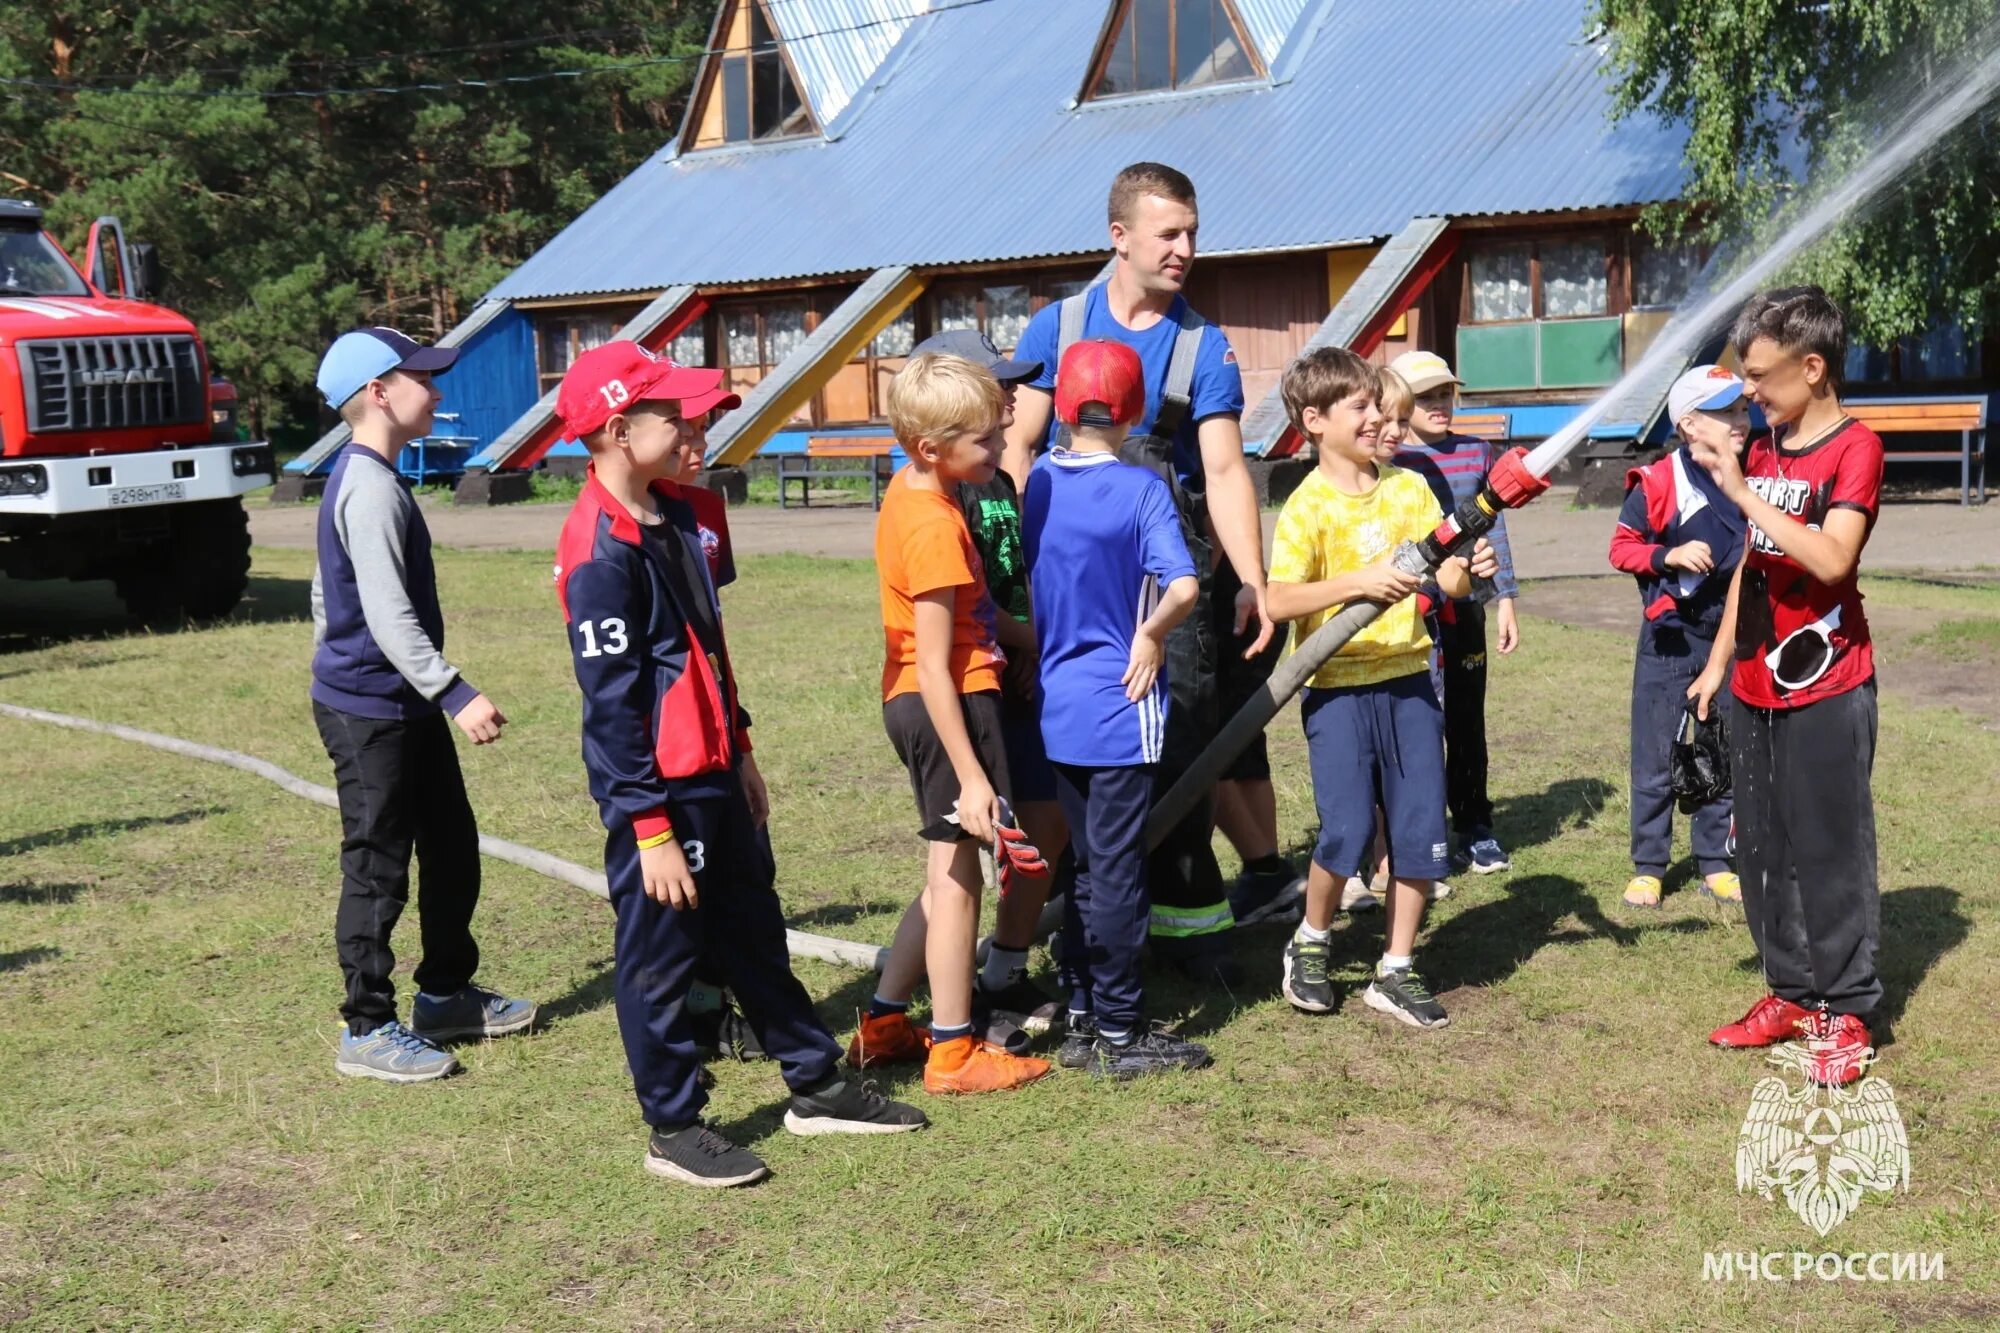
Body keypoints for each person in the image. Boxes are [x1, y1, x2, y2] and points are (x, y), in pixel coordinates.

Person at [554, 341, 926, 1188]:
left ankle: (814, 1083)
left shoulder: (678, 515)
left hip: (716, 774)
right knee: (658, 957)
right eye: (674, 417)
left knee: (755, 930)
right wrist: (647, 826)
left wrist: (743, 749)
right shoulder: (598, 552)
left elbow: (708, 652)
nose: (696, 430)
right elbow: (611, 709)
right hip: (660, 797)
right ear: (616, 430)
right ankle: (673, 1126)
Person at [1006, 162, 1276, 983]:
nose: (1186, 249)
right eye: (1170, 234)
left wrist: (1254, 580)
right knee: (1072, 755)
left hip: (1170, 579)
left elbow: (1226, 473)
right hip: (1071, 585)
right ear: (1119, 236)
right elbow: (1017, 447)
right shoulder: (1056, 327)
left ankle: (1185, 934)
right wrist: (1033, 562)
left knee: (1178, 740)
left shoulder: (1204, 346)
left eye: (1193, 232)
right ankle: (1078, 931)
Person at [310, 326, 534, 1085]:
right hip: (371, 708)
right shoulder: (368, 484)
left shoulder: (374, 476)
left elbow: (325, 588)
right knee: (378, 864)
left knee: (452, 843)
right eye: (423, 379)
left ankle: (443, 993)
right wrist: (455, 690)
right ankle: (366, 1027)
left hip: (400, 700)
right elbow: (385, 613)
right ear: (379, 392)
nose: (436, 393)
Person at [1687, 288, 1885, 1087]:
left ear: (1813, 367)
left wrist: (1739, 491)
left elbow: (1834, 559)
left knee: (1829, 853)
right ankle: (1792, 993)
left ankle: (1847, 1011)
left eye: (1762, 377)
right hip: (1753, 685)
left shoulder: (1855, 448)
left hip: (1829, 683)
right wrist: (1715, 664)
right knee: (1763, 849)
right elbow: (1753, 564)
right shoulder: (1765, 448)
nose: (1752, 394)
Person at [1266, 348, 1497, 1029]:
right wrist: (1358, 583)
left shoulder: (1409, 490)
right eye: (1361, 407)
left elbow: (1445, 582)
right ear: (1315, 420)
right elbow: (1278, 600)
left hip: (1410, 683)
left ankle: (1396, 968)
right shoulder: (1305, 506)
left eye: (1378, 405)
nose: (1378, 420)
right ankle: (1311, 939)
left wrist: (1468, 569)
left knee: (1423, 830)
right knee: (1345, 828)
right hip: (1337, 690)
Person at [851, 351, 1054, 1095]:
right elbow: (936, 659)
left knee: (944, 875)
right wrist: (973, 775)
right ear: (930, 446)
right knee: (960, 877)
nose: (1001, 450)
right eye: (986, 442)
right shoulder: (935, 526)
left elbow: (982, 614)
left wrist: (1050, 638)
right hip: (952, 703)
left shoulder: (915, 495)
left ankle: (883, 1021)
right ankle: (953, 1051)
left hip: (921, 699)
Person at [1023, 338, 1209, 1078]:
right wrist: (1153, 635)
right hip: (1121, 704)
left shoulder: (1038, 481)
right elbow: (1185, 586)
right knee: (1121, 870)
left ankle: (1080, 1014)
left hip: (1058, 704)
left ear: (1064, 406)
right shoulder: (1140, 489)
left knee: (1083, 866)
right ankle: (1124, 1032)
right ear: (1132, 410)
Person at [913, 328, 1068, 1049]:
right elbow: (968, 609)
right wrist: (1036, 640)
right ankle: (909, 1004)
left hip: (1020, 673)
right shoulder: (950, 491)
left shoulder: (998, 477)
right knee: (958, 859)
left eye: (1012, 385)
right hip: (983, 683)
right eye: (997, 384)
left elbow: (1015, 576)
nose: (1012, 396)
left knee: (1047, 820)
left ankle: (1005, 969)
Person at [1608, 366, 1749, 909]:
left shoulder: (1756, 474)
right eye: (1726, 412)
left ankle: (1715, 860)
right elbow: (1621, 549)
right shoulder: (1660, 481)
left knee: (1722, 745)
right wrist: (1667, 556)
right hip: (1669, 638)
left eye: (1742, 409)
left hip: (1731, 636)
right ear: (1689, 424)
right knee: (1656, 750)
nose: (1742, 419)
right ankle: (1649, 864)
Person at [1389, 350, 1520, 876]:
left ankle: (1474, 825)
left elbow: (1496, 530)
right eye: (1426, 397)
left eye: (1445, 393)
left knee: (1468, 719)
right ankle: (1417, 833)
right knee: (1418, 722)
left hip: (1466, 608)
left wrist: (1504, 596)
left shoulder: (1476, 452)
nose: (1440, 404)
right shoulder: (1389, 459)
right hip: (1412, 612)